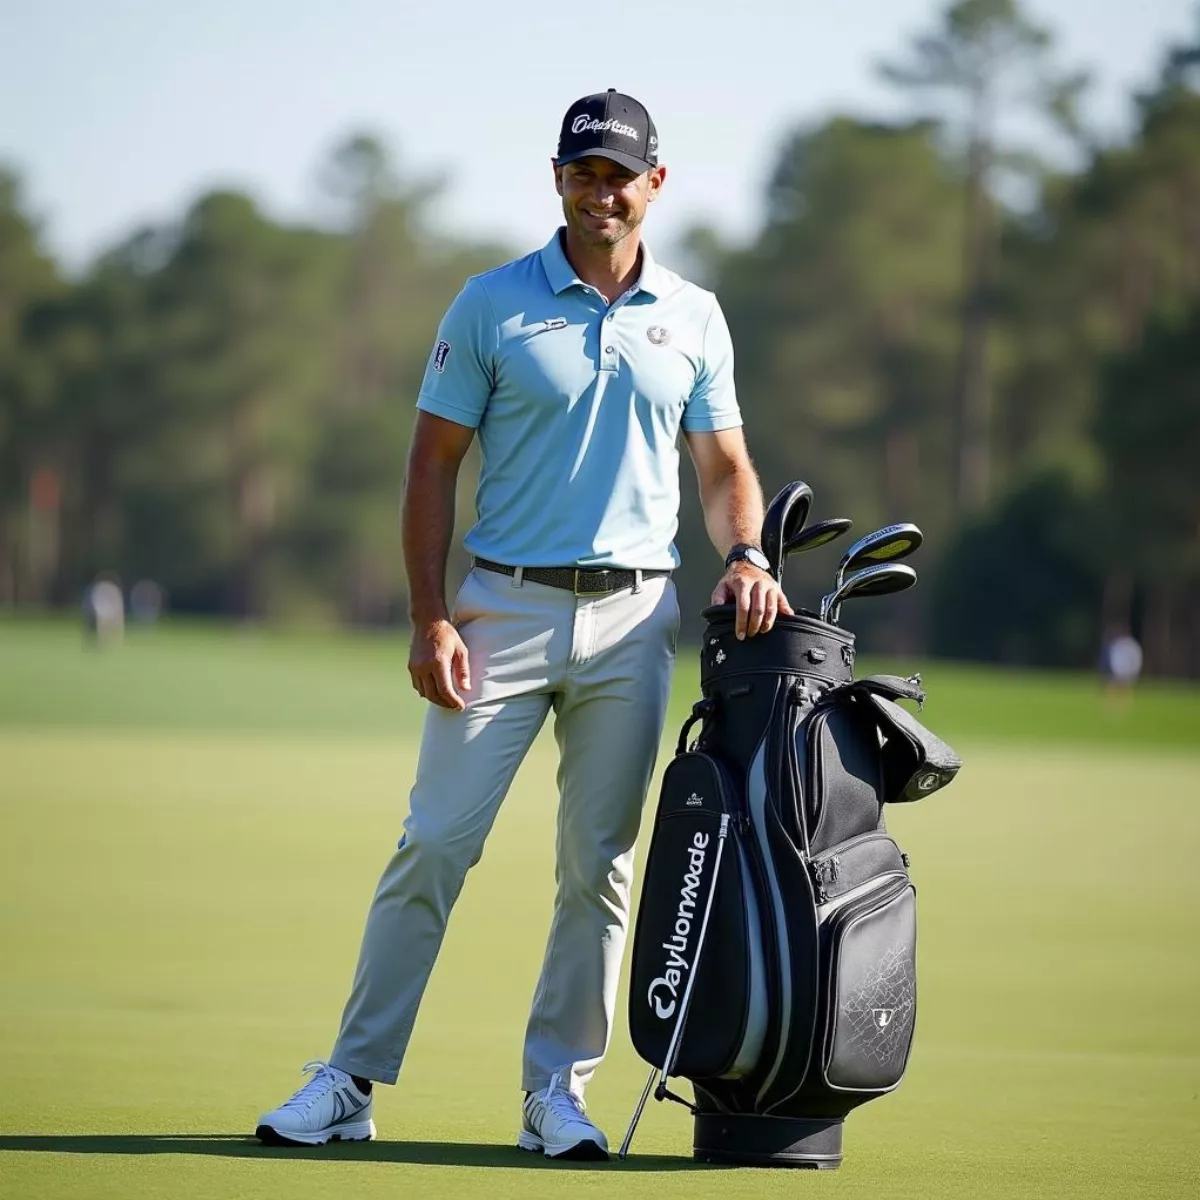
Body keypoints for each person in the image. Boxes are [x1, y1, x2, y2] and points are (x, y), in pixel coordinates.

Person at [255, 89, 791, 1160]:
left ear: (656, 183)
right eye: (584, 173)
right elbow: (431, 465)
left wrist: (746, 551)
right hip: (498, 609)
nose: (603, 192)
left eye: (620, 175)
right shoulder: (491, 304)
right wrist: (427, 618)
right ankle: (353, 1081)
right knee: (435, 844)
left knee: (598, 867)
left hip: (634, 618)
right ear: (558, 179)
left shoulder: (693, 315)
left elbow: (726, 468)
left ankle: (558, 1093)